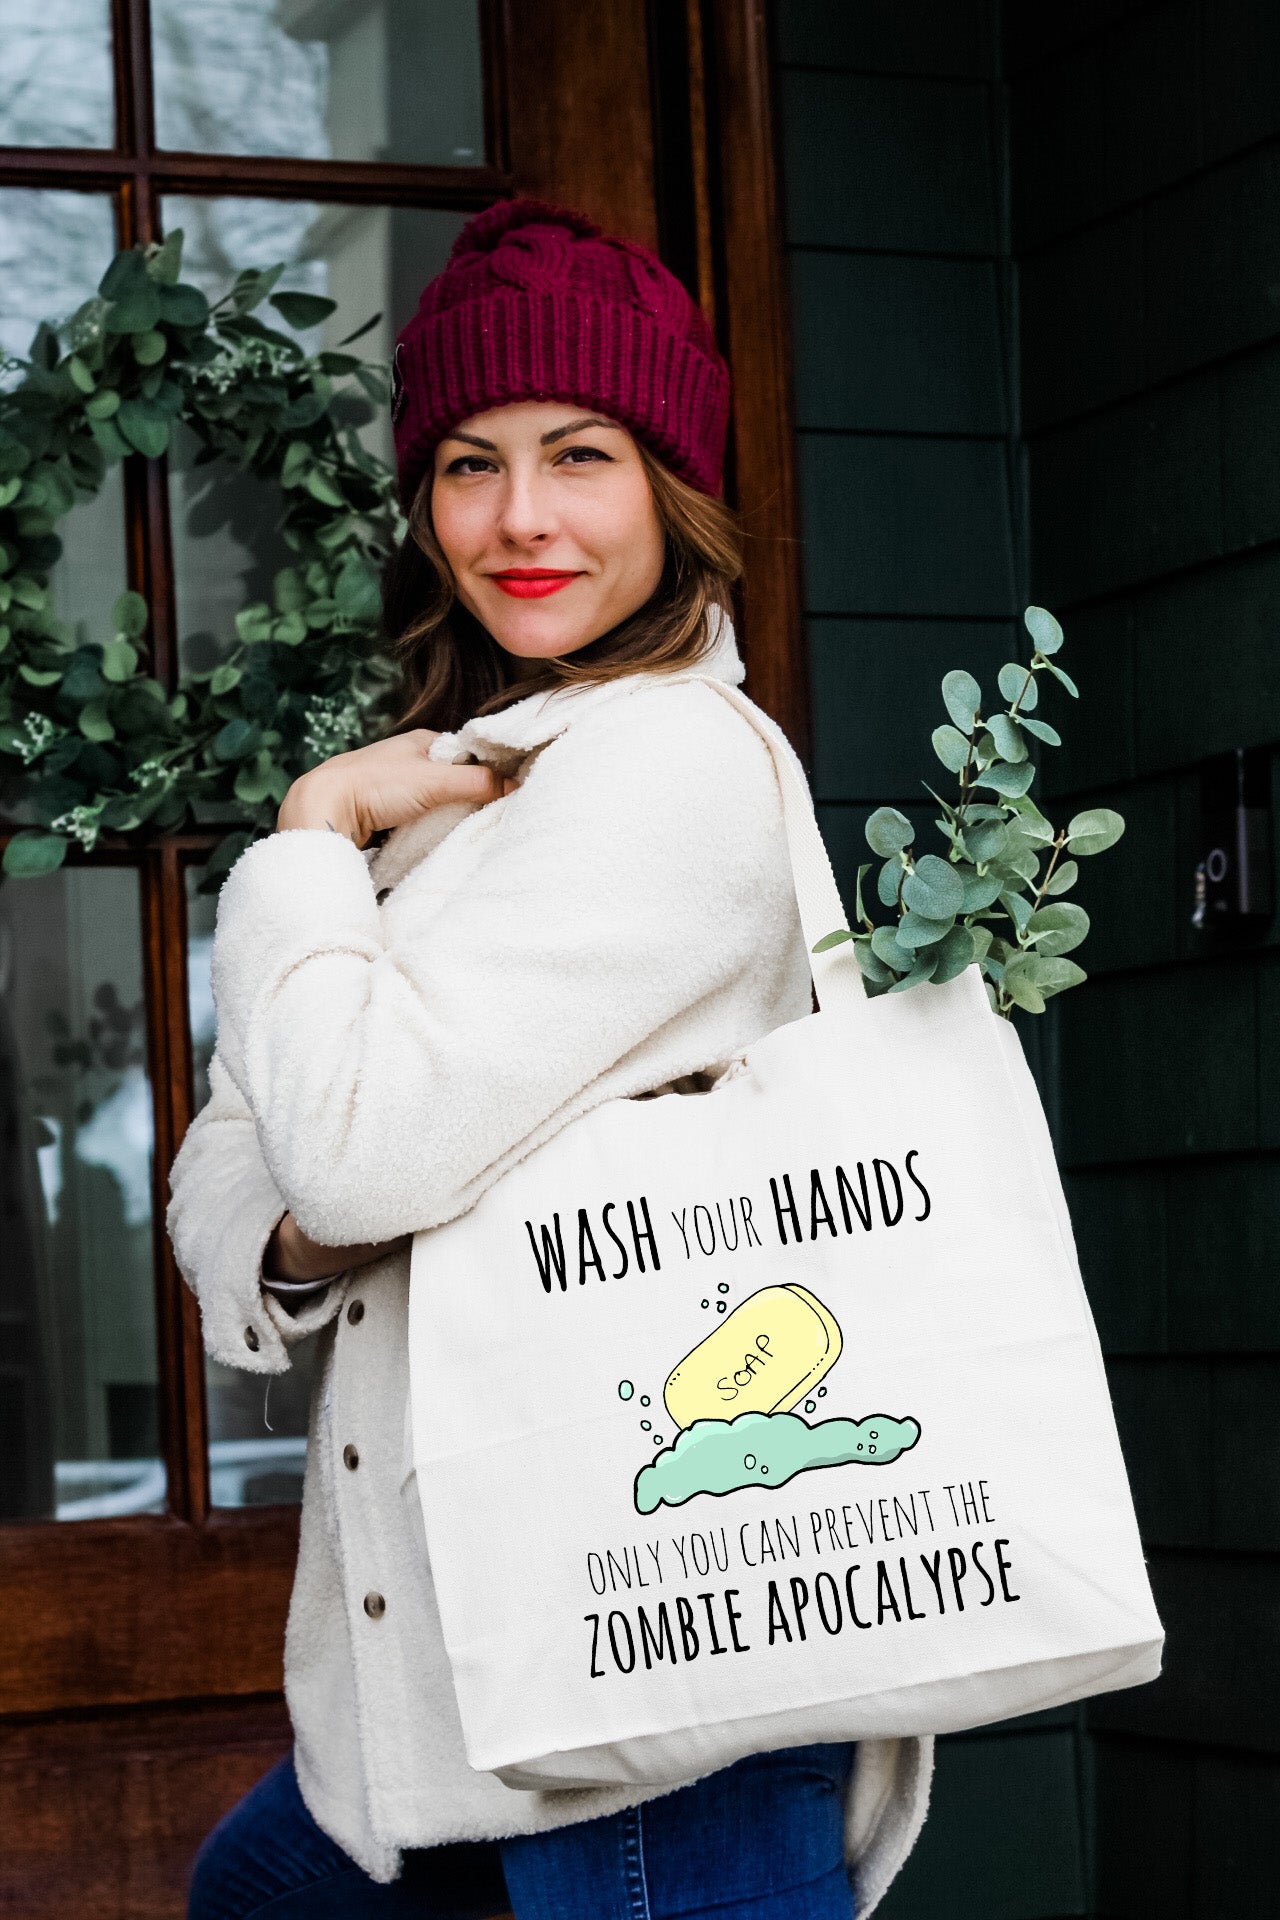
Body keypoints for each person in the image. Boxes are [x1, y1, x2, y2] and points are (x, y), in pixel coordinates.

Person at [170, 199, 932, 1920]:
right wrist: (313, 1201)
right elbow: (238, 1172)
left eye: (578, 454)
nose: (518, 519)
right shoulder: (466, 788)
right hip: (451, 1683)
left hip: (651, 1686)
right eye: (465, 462)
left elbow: (348, 1152)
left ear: (672, 485)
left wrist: (304, 837)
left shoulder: (663, 767)